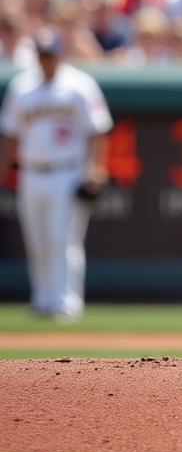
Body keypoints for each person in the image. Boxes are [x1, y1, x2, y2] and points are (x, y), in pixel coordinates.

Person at [0, 28, 112, 319]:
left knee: (63, 237)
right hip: (30, 172)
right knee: (37, 239)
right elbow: (10, 134)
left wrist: (96, 168)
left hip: (67, 171)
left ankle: (66, 302)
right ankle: (42, 299)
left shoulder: (79, 85)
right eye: (42, 54)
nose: (46, 60)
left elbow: (99, 130)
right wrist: (3, 171)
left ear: (60, 54)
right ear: (36, 55)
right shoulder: (21, 86)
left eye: (51, 54)